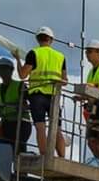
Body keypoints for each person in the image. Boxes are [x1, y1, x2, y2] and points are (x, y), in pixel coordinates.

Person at [17, 26, 68, 159]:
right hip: (54, 97)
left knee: (40, 127)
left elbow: (22, 75)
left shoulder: (34, 53)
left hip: (37, 95)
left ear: (38, 39)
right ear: (51, 39)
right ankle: (62, 157)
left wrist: (17, 59)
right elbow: (65, 80)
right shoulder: (60, 57)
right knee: (57, 129)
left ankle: (44, 156)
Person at [0, 57, 29, 181]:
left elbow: (28, 103)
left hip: (21, 124)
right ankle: (5, 175)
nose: (2, 72)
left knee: (18, 151)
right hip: (6, 124)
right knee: (4, 151)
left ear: (11, 71)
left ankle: (21, 175)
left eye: (4, 69)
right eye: (0, 69)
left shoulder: (20, 85)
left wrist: (20, 106)